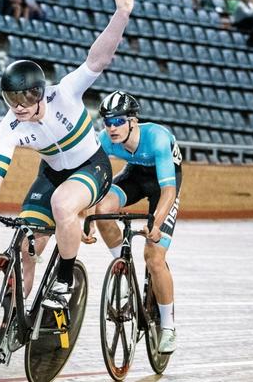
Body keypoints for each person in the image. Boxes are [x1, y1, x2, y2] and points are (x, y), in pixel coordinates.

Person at [0, 0, 135, 309]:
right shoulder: (9, 126)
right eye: (11, 99)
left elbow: (97, 59)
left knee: (63, 205)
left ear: (39, 91)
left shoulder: (65, 93)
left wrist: (121, 14)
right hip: (51, 173)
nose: (18, 107)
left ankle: (64, 282)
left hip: (92, 166)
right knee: (27, 246)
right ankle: (12, 321)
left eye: (25, 98)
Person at [83, 91, 182, 353]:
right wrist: (89, 215)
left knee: (154, 257)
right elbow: (97, 181)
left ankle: (169, 327)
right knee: (103, 208)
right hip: (135, 177)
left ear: (133, 121)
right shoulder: (105, 140)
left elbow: (169, 192)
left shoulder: (157, 138)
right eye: (107, 121)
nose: (112, 127)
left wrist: (156, 223)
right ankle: (123, 269)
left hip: (165, 185)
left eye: (118, 121)